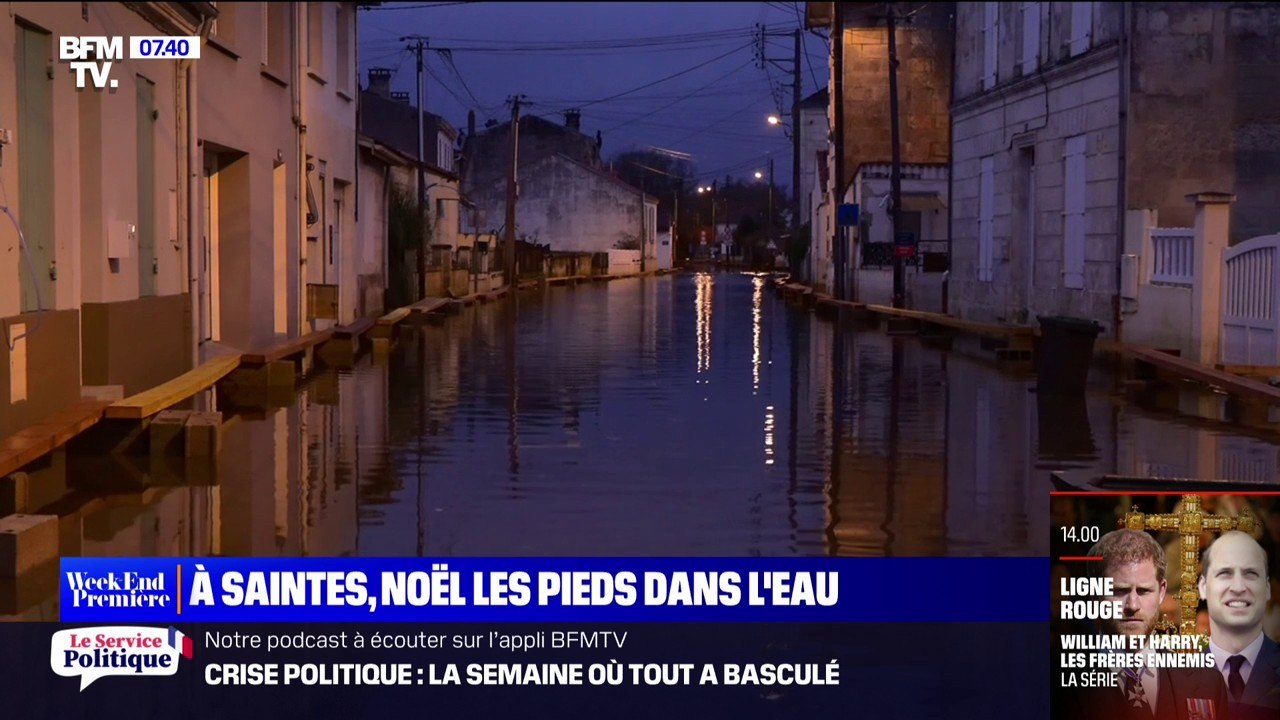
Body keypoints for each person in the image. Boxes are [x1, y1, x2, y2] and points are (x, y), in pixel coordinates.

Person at [1063, 528, 1231, 720]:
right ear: (1093, 594)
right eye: (1119, 591)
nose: (1132, 605)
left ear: (1161, 592)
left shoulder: (1208, 684)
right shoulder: (1051, 687)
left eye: (1143, 591)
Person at [1199, 531, 1280, 718]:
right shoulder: (1175, 682)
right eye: (1224, 573)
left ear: (1267, 588)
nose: (1238, 587)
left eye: (1251, 573)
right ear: (1203, 587)